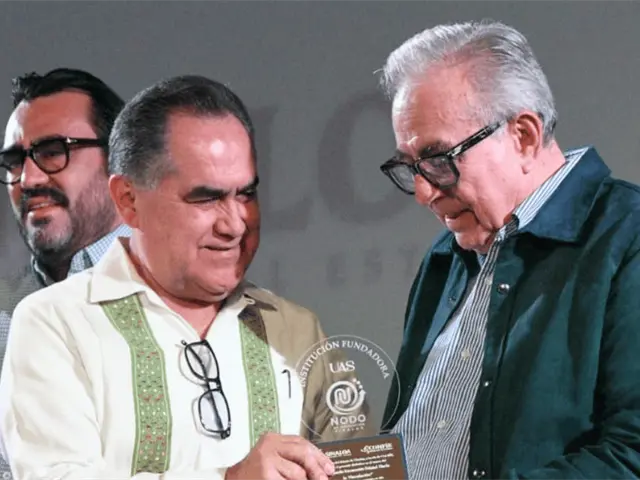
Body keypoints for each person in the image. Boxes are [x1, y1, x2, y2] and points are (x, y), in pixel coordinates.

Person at [0, 75, 369, 480]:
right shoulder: (55, 323)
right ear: (128, 200)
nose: (234, 225)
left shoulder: (296, 329)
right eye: (206, 198)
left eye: (246, 194)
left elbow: (359, 470)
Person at [377, 20, 640, 479]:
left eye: (439, 159)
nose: (422, 192)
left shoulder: (628, 235)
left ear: (524, 136)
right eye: (410, 167)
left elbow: (632, 452)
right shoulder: (445, 257)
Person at [0, 68, 129, 479]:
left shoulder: (185, 302)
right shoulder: (4, 317)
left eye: (53, 151)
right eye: (14, 161)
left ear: (119, 162)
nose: (28, 179)